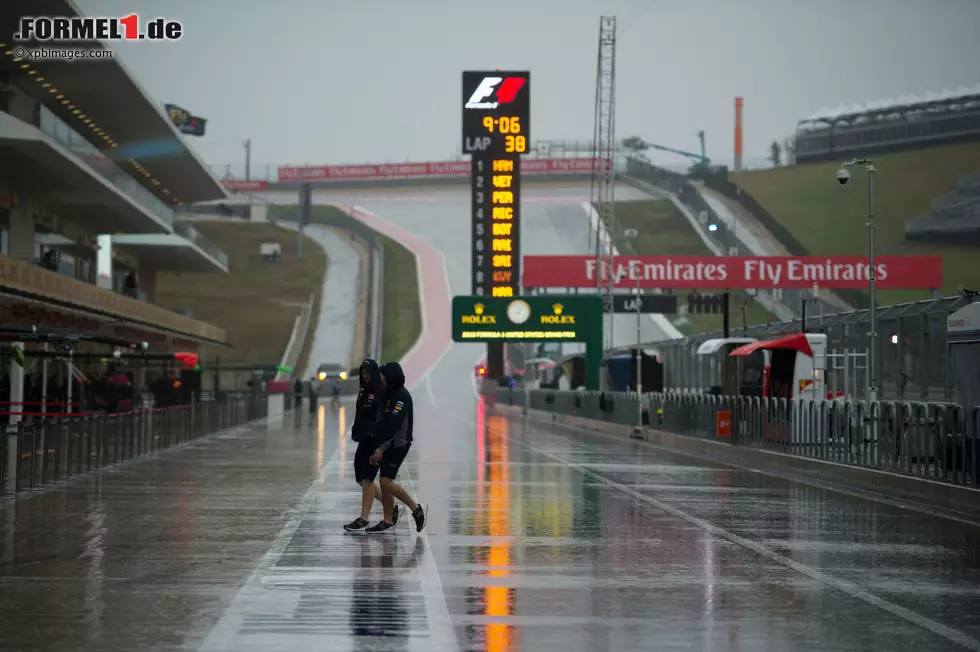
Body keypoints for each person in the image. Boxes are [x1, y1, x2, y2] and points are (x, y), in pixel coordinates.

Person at [365, 362, 426, 534]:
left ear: (391, 378)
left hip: (398, 444)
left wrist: (381, 448)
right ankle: (387, 520)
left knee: (386, 482)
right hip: (384, 444)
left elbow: (393, 425)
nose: (381, 379)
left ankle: (416, 509)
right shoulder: (386, 394)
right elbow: (380, 422)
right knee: (385, 482)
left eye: (383, 377)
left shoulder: (401, 397)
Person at [344, 359, 399, 532]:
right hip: (363, 438)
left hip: (375, 440)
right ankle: (389, 506)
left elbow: (384, 417)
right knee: (362, 478)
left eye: (368, 374)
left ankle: (363, 518)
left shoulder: (380, 391)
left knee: (368, 478)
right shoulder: (363, 390)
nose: (365, 377)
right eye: (363, 374)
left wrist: (380, 441)